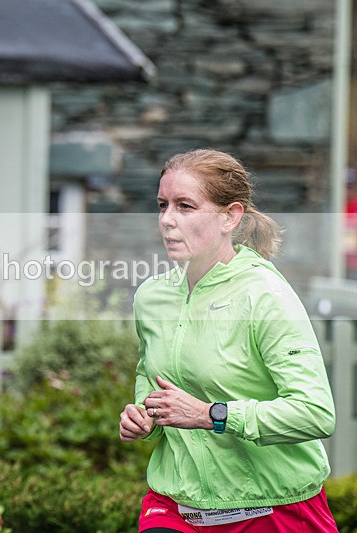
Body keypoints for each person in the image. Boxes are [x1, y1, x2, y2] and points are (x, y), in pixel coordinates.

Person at [118, 148, 338, 532]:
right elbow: (150, 374)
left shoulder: (265, 295)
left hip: (272, 507)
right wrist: (144, 414)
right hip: (176, 503)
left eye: (185, 206)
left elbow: (314, 413)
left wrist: (211, 415)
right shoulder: (152, 297)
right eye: (163, 205)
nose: (167, 220)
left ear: (230, 216)